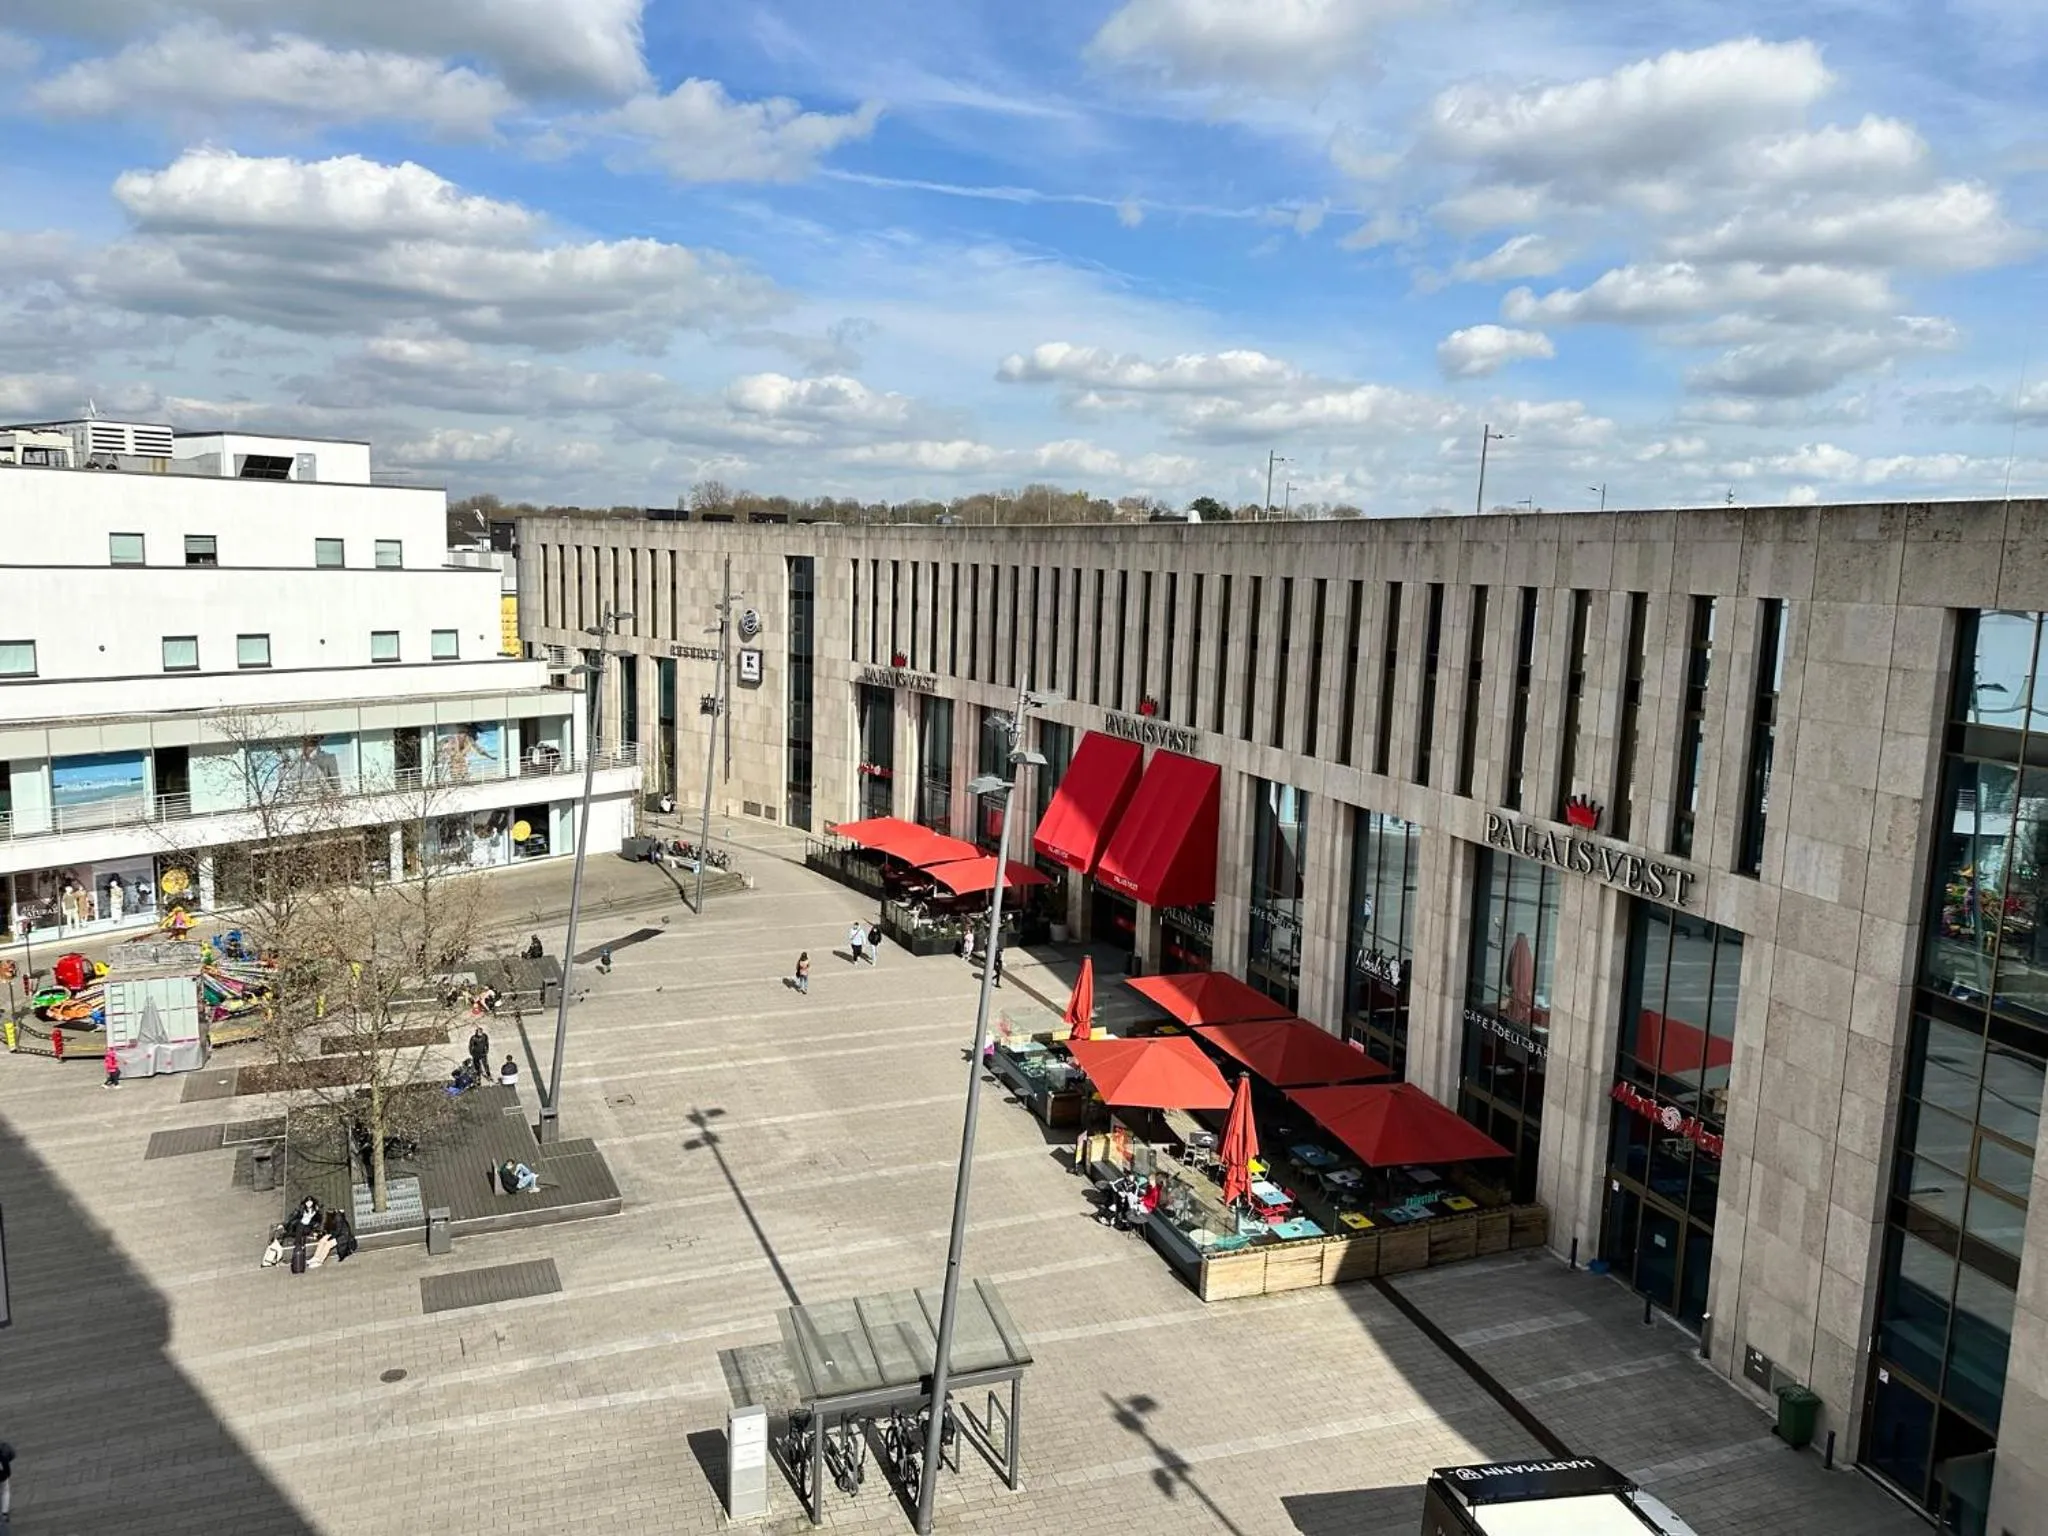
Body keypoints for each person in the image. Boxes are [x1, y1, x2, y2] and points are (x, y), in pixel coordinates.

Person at [2, 1435, 14, 1527]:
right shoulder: (2, 1455)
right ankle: (4, 1513)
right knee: (5, 1491)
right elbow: (7, 1469)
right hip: (2, 1477)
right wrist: (7, 1474)